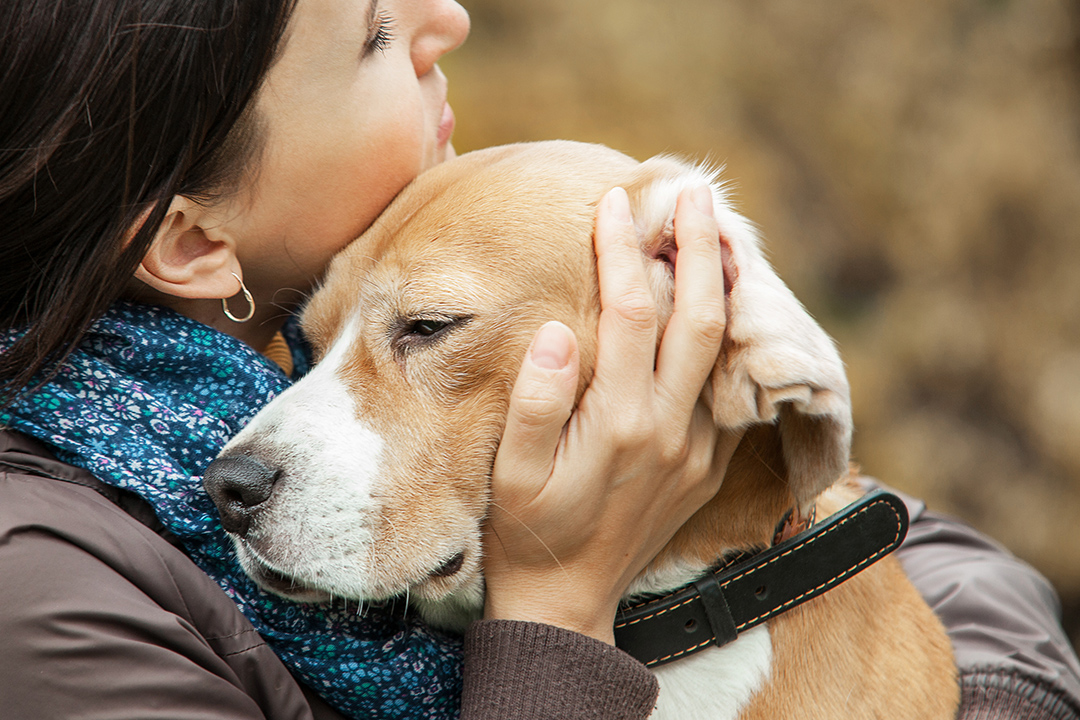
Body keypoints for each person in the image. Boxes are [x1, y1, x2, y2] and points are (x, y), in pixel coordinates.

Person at [0, 1, 1077, 719]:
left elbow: (902, 542)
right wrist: (558, 607)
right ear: (193, 241)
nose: (448, 18)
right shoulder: (44, 589)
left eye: (419, 331)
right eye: (373, 34)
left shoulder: (446, 285)